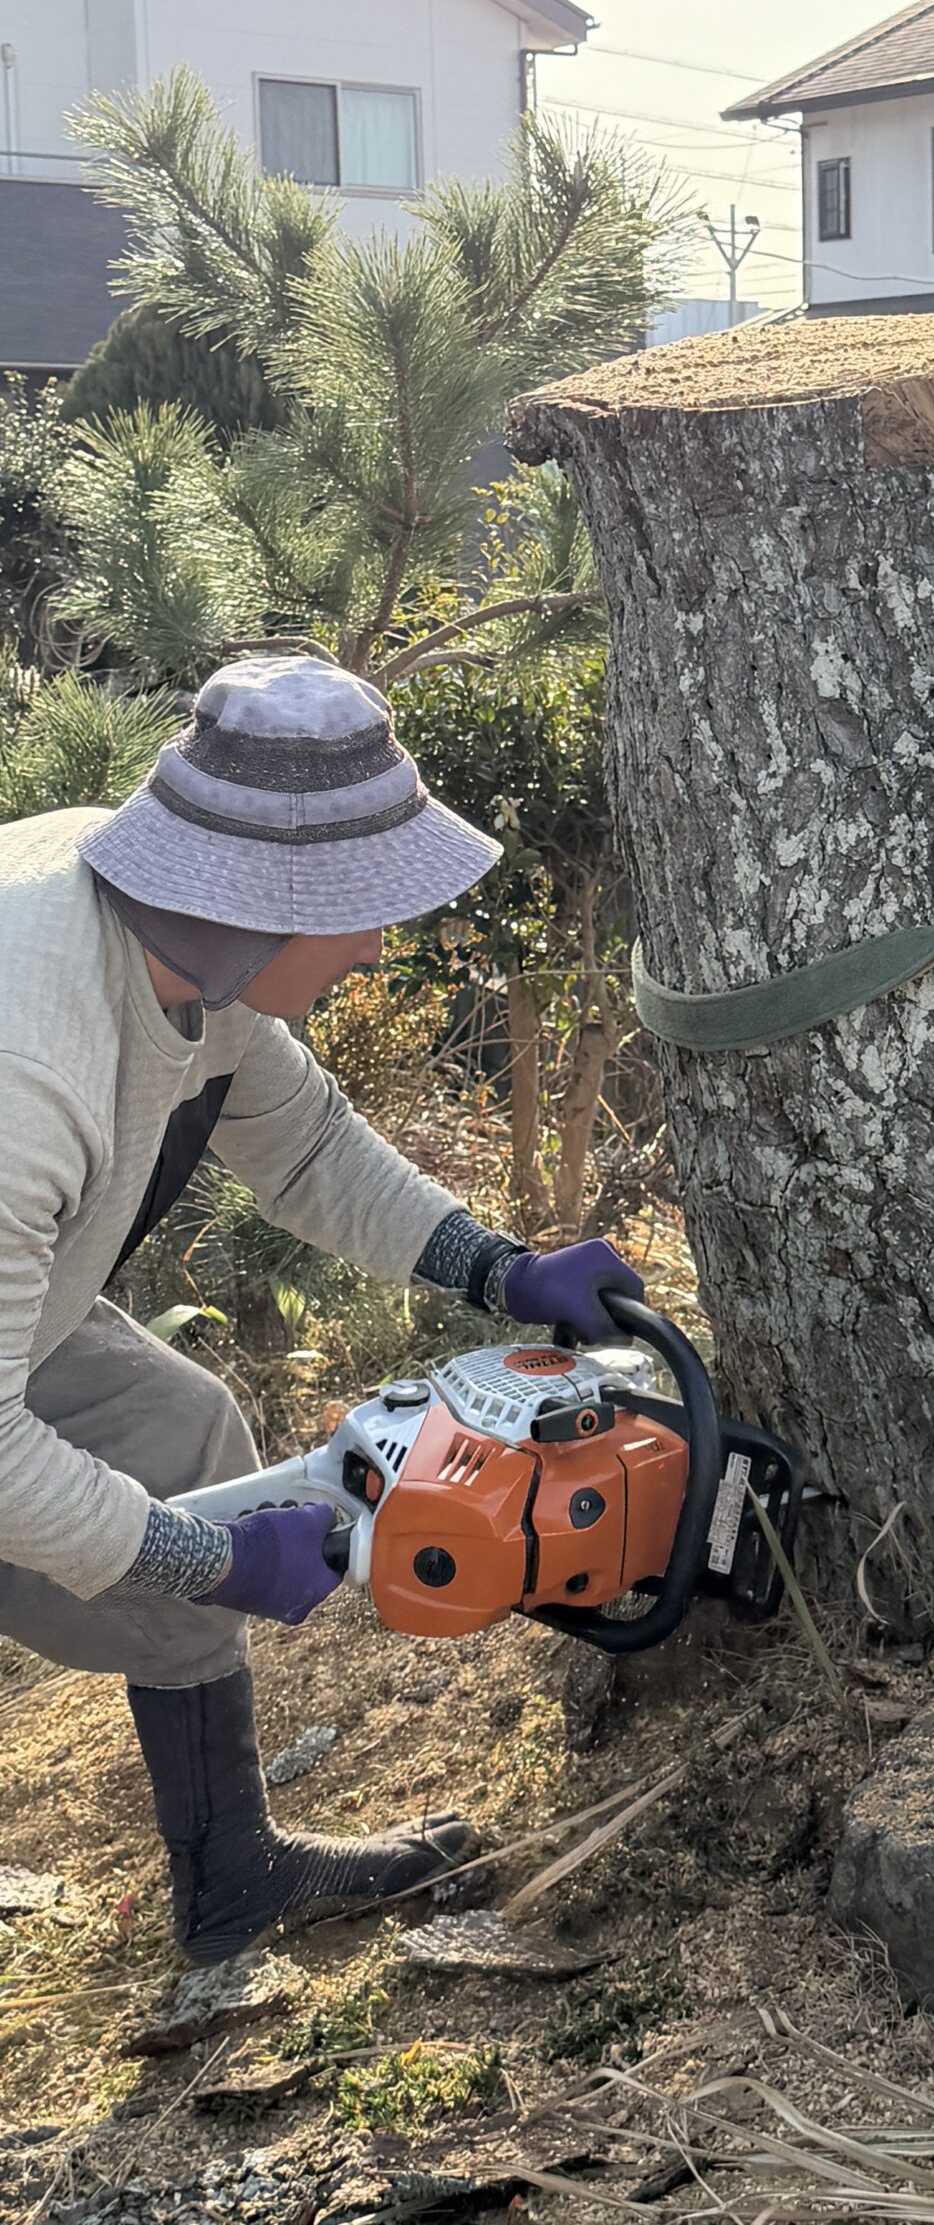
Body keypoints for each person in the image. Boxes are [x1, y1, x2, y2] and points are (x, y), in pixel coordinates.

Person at [0, 652, 647, 1965]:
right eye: (364, 911)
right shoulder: (31, 1065)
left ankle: (232, 1873)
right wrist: (206, 1562)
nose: (376, 943)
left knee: (173, 1427)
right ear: (269, 899)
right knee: (158, 1509)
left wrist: (499, 1267)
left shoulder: (178, 942)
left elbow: (306, 1150)